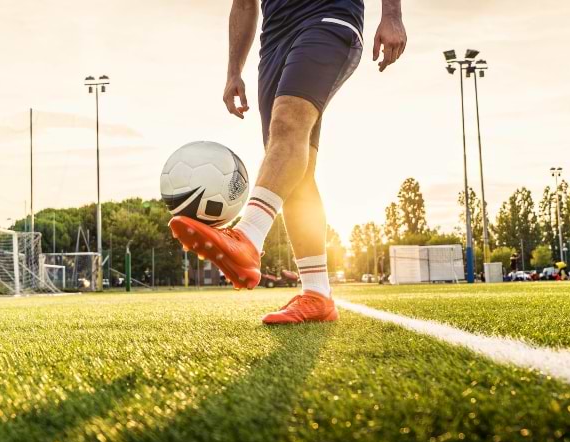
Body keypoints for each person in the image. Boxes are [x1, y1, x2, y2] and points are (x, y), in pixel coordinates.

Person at [169, 0, 406, 325]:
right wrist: (233, 71)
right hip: (275, 37)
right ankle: (317, 294)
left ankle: (249, 236)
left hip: (329, 16)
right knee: (292, 166)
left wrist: (392, 15)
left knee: (287, 124)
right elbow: (243, 5)